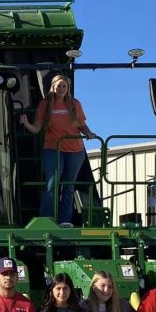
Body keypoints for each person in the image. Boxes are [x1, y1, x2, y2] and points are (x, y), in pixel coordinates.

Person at [19, 74, 97, 225]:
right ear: (53, 87)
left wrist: (88, 132)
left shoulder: (74, 104)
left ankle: (64, 221)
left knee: (68, 186)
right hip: (53, 149)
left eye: (64, 86)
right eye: (59, 85)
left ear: (67, 88)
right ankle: (46, 220)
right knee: (52, 185)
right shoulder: (45, 104)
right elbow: (36, 128)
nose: (61, 88)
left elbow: (81, 124)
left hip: (75, 151)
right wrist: (26, 123)